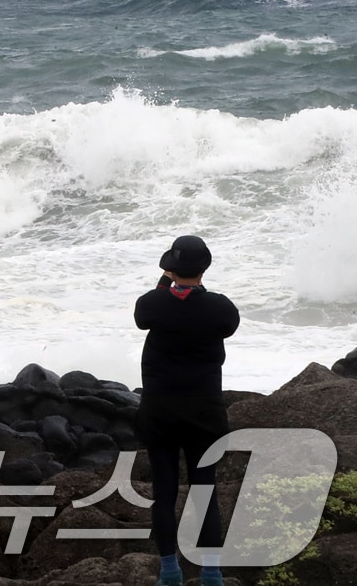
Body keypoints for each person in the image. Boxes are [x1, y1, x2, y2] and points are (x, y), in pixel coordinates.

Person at [134, 234, 239, 586]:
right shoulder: (221, 309)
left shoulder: (153, 304)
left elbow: (147, 310)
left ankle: (169, 572)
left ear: (170, 269)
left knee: (164, 493)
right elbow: (226, 324)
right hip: (204, 416)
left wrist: (168, 279)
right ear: (205, 267)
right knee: (204, 492)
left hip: (160, 413)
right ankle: (211, 574)